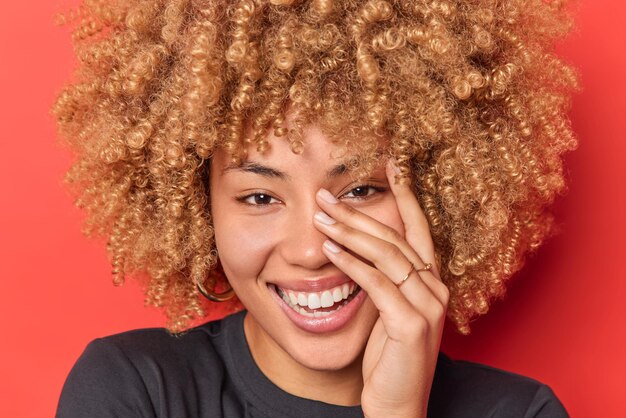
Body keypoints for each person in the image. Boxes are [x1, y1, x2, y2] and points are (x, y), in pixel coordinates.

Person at [53, 0, 578, 416]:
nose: (310, 250)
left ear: (438, 197)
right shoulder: (135, 390)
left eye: (360, 191)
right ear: (200, 211)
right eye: (260, 197)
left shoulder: (521, 412)